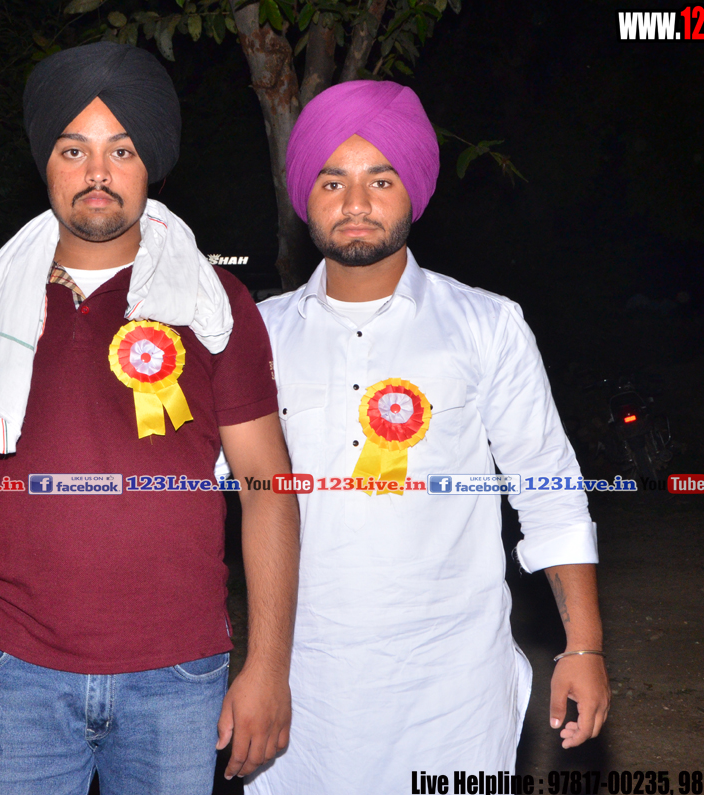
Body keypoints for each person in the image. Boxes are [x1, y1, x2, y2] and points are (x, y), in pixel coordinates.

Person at [0, 42, 299, 795]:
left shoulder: (213, 304)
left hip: (179, 676)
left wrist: (268, 666)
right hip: (19, 673)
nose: (98, 172)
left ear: (150, 164)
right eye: (75, 150)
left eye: (121, 150)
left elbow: (267, 485)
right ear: (47, 162)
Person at [248, 80, 610, 793]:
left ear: (412, 190)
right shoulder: (258, 335)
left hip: (452, 691)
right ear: (305, 196)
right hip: (302, 687)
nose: (356, 203)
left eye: (380, 180)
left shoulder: (487, 325)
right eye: (333, 181)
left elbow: (548, 487)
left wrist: (585, 645)